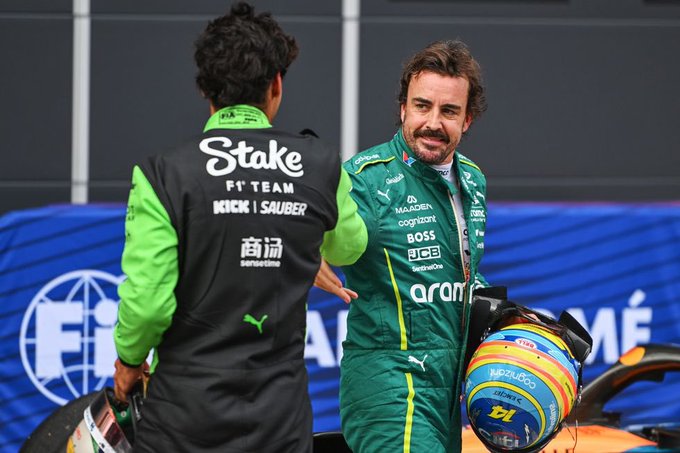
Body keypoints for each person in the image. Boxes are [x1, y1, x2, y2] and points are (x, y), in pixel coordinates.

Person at [112, 3, 366, 452]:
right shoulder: (320, 164)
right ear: (276, 85)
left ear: (206, 90)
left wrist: (129, 362)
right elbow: (350, 247)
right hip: (279, 422)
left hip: (182, 420)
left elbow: (148, 304)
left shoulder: (163, 174)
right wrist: (302, 243)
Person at [315, 40, 490, 452]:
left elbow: (463, 274)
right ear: (402, 109)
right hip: (388, 385)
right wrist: (307, 251)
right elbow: (308, 226)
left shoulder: (473, 179)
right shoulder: (365, 178)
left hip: (449, 390)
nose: (433, 122)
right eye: (422, 106)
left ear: (467, 119)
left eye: (449, 111)